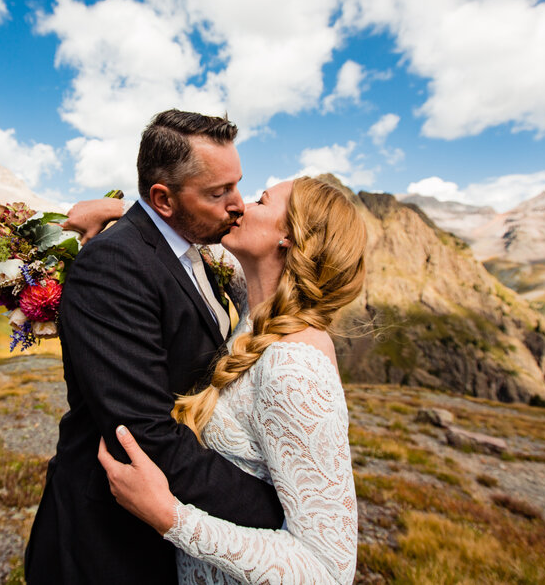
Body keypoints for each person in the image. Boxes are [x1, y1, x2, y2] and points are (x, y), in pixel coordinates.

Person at [23, 110, 285, 584]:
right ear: (163, 199)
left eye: (237, 185)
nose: (238, 204)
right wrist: (280, 510)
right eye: (218, 192)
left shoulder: (190, 241)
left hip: (162, 529)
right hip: (105, 541)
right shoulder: (113, 266)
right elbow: (144, 432)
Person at [97, 176, 366, 584]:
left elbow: (329, 572)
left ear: (290, 237)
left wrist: (171, 518)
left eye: (261, 200)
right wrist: (115, 212)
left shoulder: (295, 370)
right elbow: (179, 237)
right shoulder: (253, 302)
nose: (239, 205)